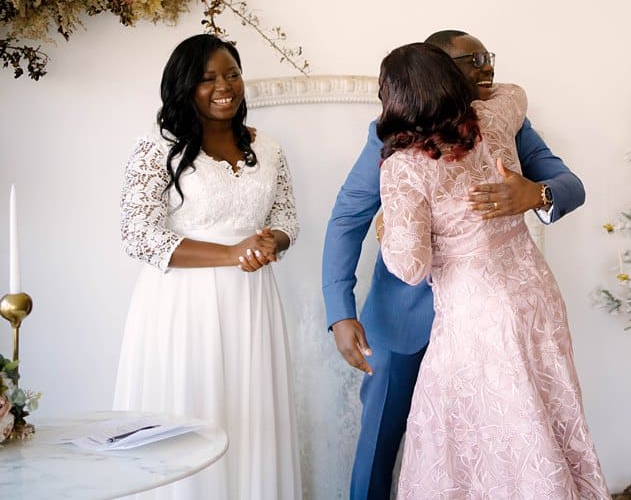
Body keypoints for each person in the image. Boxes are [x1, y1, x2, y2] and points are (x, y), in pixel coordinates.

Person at [322, 29, 585, 499]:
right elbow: (348, 216)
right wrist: (340, 310)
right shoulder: (390, 135)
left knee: (499, 444)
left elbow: (568, 182)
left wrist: (536, 194)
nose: (488, 68)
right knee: (381, 443)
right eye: (472, 60)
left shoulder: (503, 118)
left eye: (488, 56)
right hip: (404, 319)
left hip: (492, 326)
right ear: (440, 73)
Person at [114, 34, 301, 499]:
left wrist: (268, 241)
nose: (225, 86)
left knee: (250, 419)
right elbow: (138, 233)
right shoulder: (156, 148)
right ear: (184, 86)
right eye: (208, 78)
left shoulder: (270, 148)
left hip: (251, 301)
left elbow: (287, 220)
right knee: (189, 417)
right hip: (182, 305)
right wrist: (230, 254)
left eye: (232, 74)